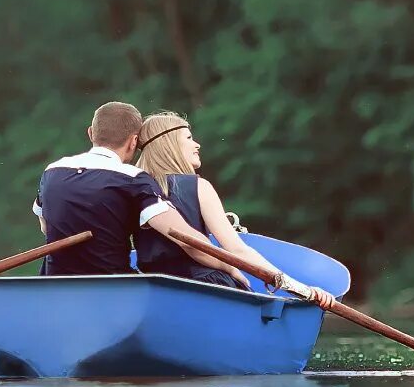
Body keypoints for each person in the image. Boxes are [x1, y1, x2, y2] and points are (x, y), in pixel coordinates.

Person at [31, 102, 330, 306]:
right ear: (134, 141)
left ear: (90, 134)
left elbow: (48, 227)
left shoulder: (52, 170)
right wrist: (234, 269)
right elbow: (185, 239)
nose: (197, 143)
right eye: (190, 137)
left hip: (55, 287)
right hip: (118, 294)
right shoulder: (133, 179)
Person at [130, 111, 333, 307]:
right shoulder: (199, 186)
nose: (197, 144)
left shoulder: (133, 190)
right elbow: (236, 249)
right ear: (170, 143)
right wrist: (301, 289)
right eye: (189, 137)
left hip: (152, 290)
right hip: (208, 287)